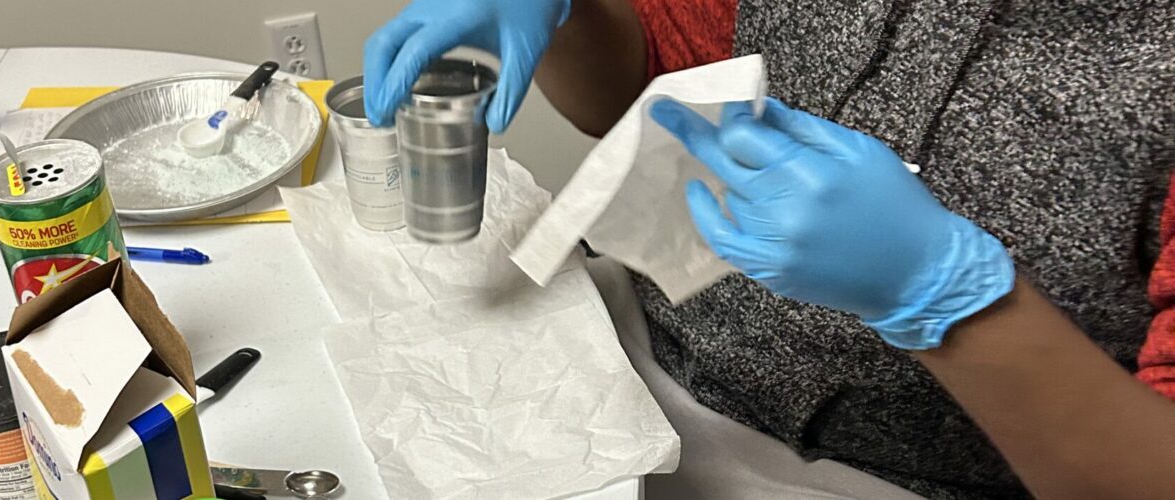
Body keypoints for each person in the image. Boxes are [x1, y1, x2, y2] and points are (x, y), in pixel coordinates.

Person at [365, 0, 1175, 498]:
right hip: (635, 340)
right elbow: (638, 89)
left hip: (901, 472)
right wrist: (567, 12)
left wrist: (950, 302)